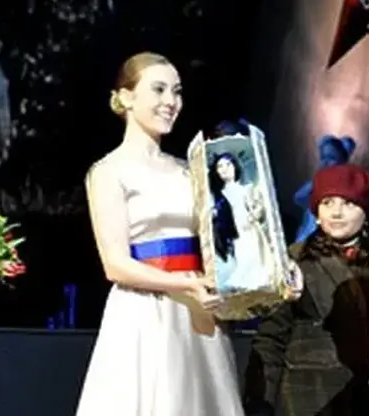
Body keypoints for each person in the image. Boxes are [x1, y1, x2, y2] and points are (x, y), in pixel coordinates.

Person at [75, 52, 244, 416]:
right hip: (144, 313)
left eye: (177, 91)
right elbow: (115, 265)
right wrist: (184, 285)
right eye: (159, 89)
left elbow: (221, 242)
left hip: (198, 310)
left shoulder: (190, 170)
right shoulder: (108, 172)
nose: (171, 101)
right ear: (126, 97)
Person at [243, 163, 369, 416]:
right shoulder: (295, 259)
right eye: (327, 203)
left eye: (348, 203)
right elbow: (271, 336)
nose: (336, 213)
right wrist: (260, 399)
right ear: (316, 212)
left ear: (366, 210)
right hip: (308, 392)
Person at [208, 151, 270, 292]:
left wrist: (252, 217)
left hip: (248, 228)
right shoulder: (218, 196)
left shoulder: (246, 189)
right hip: (232, 230)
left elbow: (258, 208)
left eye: (228, 164)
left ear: (235, 166)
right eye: (220, 166)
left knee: (253, 254)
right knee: (241, 255)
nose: (224, 169)